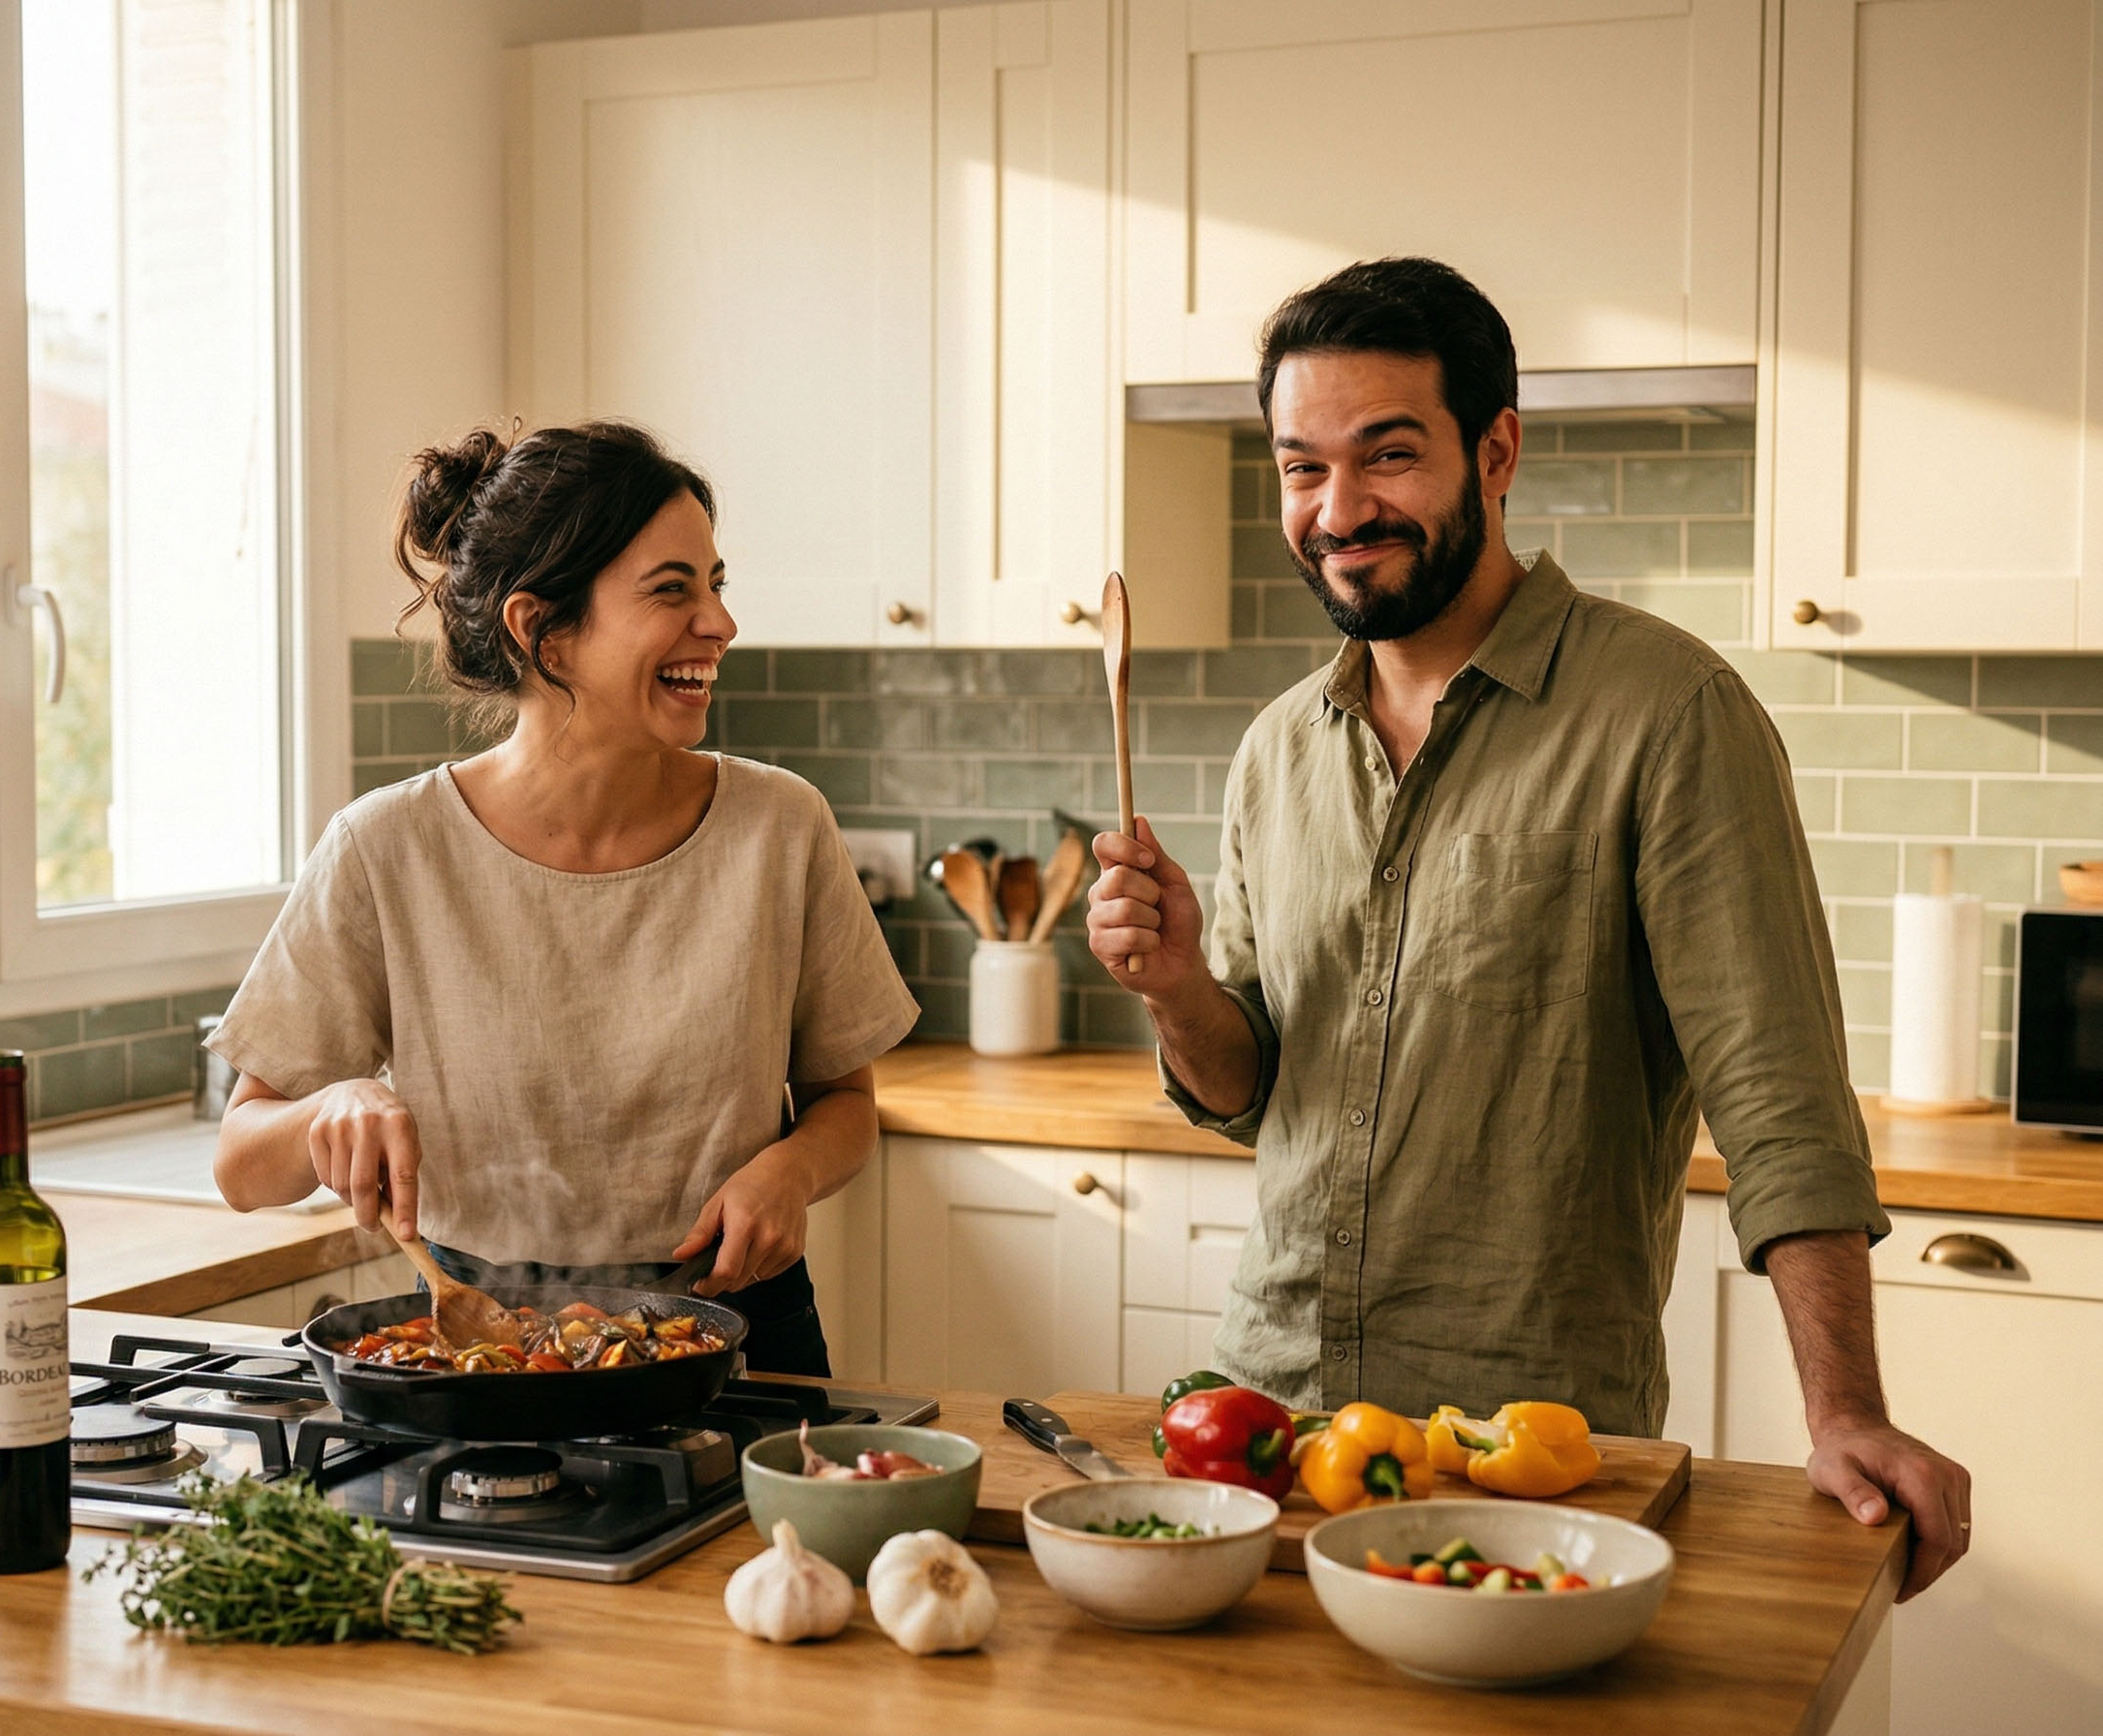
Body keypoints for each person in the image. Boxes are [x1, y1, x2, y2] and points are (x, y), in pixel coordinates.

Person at [1085, 258, 1970, 1599]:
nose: (1338, 510)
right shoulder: (1275, 752)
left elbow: (1780, 1094)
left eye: (1388, 456)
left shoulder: (1668, 715)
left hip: (1530, 1456)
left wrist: (1844, 1408)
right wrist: (1171, 984)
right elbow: (1250, 1088)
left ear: (1496, 450)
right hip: (1267, 1428)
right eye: (1300, 467)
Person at [208, 420, 918, 1374]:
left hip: (732, 1338)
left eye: (716, 584)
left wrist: (791, 1168)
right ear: (540, 628)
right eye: (674, 589)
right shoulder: (388, 848)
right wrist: (329, 1105)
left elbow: (846, 1102)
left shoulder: (780, 827)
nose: (720, 622)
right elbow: (244, 1164)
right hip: (487, 1353)